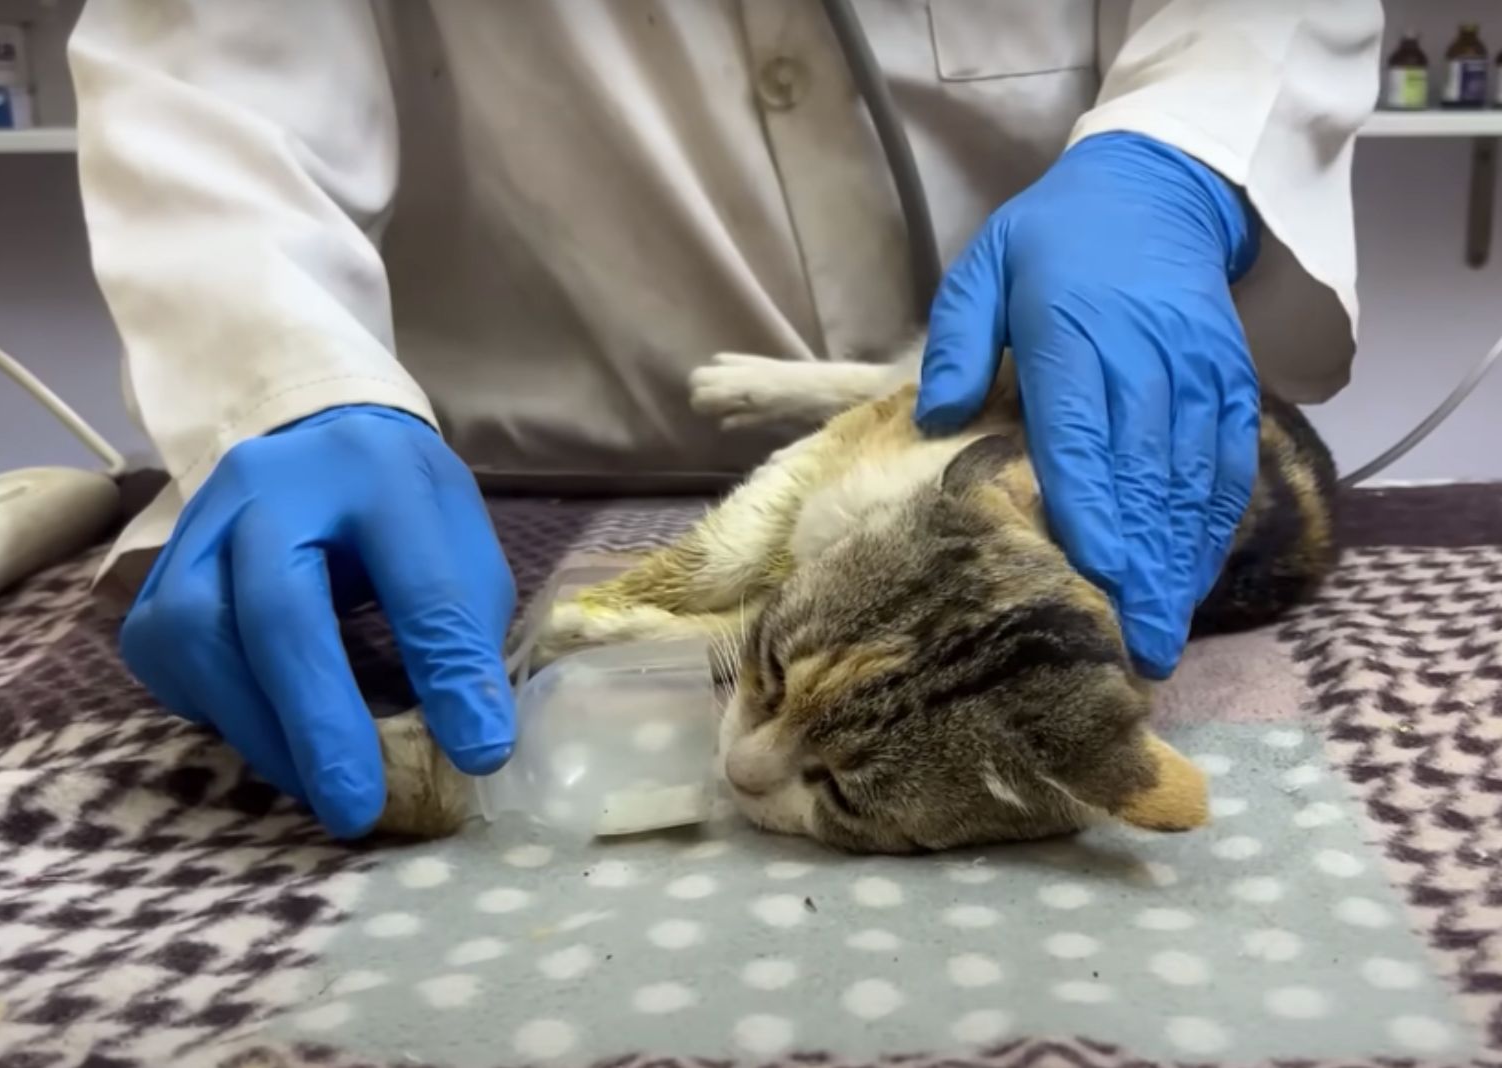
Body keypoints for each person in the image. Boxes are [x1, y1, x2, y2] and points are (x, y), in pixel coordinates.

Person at [68, 2, 1382, 838]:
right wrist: (283, 379)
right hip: (514, 462)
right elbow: (200, 76)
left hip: (1034, 402)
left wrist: (1184, 146)